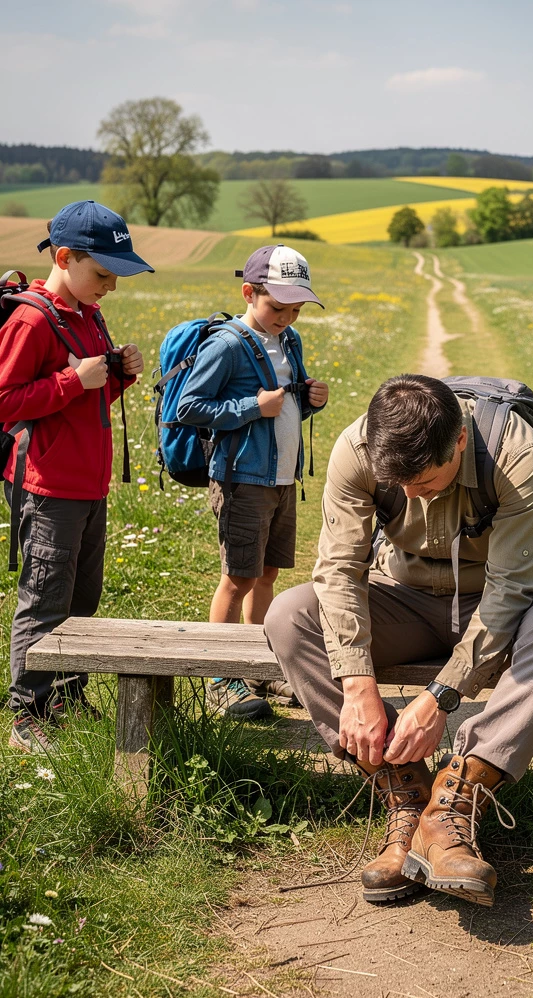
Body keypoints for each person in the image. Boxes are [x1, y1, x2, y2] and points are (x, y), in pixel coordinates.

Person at [265, 374, 533, 908]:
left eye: (427, 481)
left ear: (459, 440)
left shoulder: (515, 452)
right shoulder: (356, 447)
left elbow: (512, 590)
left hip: (504, 604)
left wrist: (441, 697)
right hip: (404, 595)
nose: (413, 495)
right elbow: (340, 569)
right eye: (400, 485)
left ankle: (455, 804)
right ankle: (406, 793)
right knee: (289, 616)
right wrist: (357, 685)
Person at [0, 200, 153, 754]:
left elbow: (86, 397)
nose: (110, 286)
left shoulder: (87, 314)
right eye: (102, 273)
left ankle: (66, 695)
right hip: (46, 487)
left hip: (86, 484)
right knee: (45, 600)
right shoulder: (32, 319)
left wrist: (114, 377)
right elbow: (0, 403)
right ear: (64, 257)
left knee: (83, 598)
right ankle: (26, 715)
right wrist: (71, 381)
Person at [177, 245, 328, 721]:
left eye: (296, 308)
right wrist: (250, 408)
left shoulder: (291, 341)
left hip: (282, 477)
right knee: (238, 576)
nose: (287, 316)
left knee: (267, 574)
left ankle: (258, 663)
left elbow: (290, 400)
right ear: (249, 292)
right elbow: (188, 408)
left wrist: (312, 399)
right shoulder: (226, 345)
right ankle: (221, 676)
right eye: (277, 306)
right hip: (242, 479)